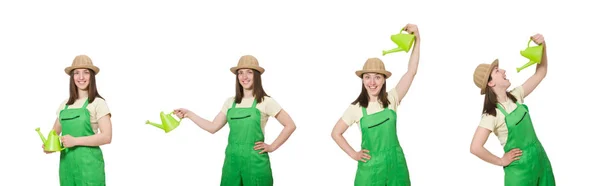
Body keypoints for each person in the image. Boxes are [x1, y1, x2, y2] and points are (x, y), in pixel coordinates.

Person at [174, 55, 297, 186]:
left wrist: (272, 147)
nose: (244, 77)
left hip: (255, 162)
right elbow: (213, 127)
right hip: (232, 162)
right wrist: (189, 114)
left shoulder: (266, 101)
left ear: (257, 75)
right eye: (240, 73)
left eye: (249, 72)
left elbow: (290, 125)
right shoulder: (230, 102)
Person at [331, 23, 420, 186]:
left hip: (396, 166)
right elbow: (336, 133)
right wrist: (354, 154)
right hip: (370, 170)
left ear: (384, 80)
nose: (372, 82)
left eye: (377, 77)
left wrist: (417, 39)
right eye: (368, 77)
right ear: (362, 80)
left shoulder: (392, 98)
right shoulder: (356, 108)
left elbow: (411, 72)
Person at [469, 34, 555, 185]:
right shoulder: (491, 115)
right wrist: (501, 160)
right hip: (519, 173)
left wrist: (543, 47)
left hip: (539, 160)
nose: (502, 71)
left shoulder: (516, 95)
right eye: (496, 71)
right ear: (490, 83)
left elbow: (541, 72)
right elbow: (475, 147)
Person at [42, 55, 113, 186]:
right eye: (77, 73)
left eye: (86, 72)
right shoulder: (64, 105)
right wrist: (50, 146)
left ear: (92, 76)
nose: (81, 77)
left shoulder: (98, 103)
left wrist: (75, 141)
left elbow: (107, 137)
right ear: (72, 77)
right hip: (67, 167)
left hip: (89, 167)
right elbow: (54, 134)